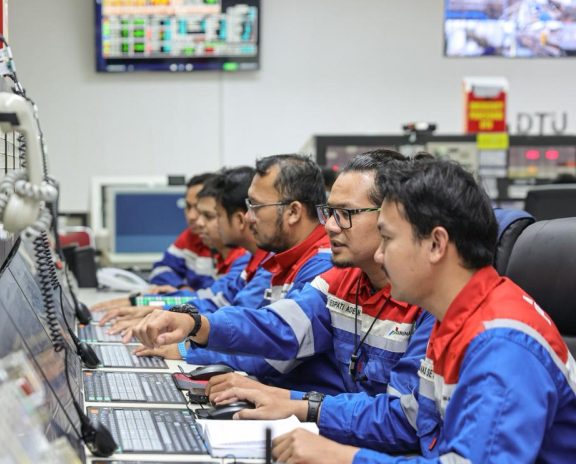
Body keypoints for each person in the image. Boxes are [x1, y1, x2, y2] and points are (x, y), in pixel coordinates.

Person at [263, 159, 576, 464]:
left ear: (436, 244)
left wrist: (346, 461)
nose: (379, 255)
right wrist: (312, 418)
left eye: (389, 239)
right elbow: (407, 419)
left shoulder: (502, 344)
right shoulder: (454, 319)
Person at [130, 150, 434, 400]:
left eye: (345, 214)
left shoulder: (424, 301)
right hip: (344, 432)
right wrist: (195, 323)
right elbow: (276, 328)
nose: (329, 226)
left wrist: (300, 406)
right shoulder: (340, 281)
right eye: (330, 212)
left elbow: (400, 420)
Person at [133, 154, 337, 371]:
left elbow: (276, 338)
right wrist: (154, 306)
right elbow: (224, 306)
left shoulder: (322, 265)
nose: (247, 218)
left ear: (294, 212)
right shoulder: (280, 258)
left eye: (256, 206)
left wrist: (191, 337)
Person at [99, 167, 272, 338]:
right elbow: (209, 301)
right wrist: (149, 307)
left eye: (212, 216)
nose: (198, 221)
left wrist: (184, 347)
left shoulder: (252, 262)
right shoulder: (250, 261)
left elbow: (236, 325)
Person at [149, 172, 218, 289]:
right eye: (188, 206)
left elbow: (220, 297)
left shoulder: (234, 247)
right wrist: (181, 288)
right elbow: (160, 269)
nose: (191, 216)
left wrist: (187, 295)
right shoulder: (190, 236)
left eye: (197, 207)